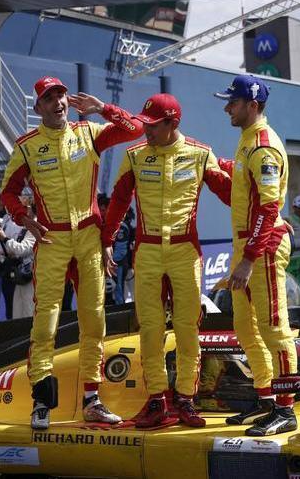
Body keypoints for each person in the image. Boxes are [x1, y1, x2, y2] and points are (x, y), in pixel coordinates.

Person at [0, 76, 142, 429]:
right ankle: (42, 402)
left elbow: (135, 128)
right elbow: (8, 193)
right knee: (46, 319)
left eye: (61, 95)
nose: (58, 102)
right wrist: (25, 219)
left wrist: (102, 108)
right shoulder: (27, 147)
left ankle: (92, 399)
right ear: (38, 108)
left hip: (90, 238)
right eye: (50, 98)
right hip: (52, 240)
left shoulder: (89, 131)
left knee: (94, 319)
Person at [103, 93, 230, 429]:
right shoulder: (134, 155)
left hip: (185, 250)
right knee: (150, 329)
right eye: (144, 125)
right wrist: (106, 241)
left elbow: (231, 194)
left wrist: (266, 209)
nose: (147, 132)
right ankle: (157, 399)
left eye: (153, 126)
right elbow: (117, 201)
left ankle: (187, 400)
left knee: (188, 328)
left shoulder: (201, 154)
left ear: (173, 123)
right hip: (146, 251)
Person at [215, 74, 298, 437]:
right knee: (245, 330)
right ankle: (266, 399)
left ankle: (286, 409)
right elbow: (244, 185)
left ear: (252, 105)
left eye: (232, 101)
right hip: (247, 247)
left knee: (274, 330)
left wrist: (249, 259)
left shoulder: (263, 145)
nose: (226, 107)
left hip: (260, 250)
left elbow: (268, 209)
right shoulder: (247, 141)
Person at [0, 201, 37, 319]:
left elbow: (22, 249)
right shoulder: (25, 226)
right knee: (17, 313)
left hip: (31, 277)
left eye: (25, 208)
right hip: (20, 276)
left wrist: (4, 238)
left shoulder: (35, 226)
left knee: (28, 314)